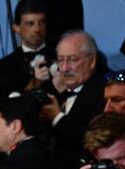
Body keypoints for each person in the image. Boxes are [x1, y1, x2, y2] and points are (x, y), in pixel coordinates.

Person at [41, 30, 105, 161]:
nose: (64, 68)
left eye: (72, 60)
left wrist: (57, 118)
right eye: (60, 60)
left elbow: (92, 140)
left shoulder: (104, 92)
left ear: (92, 61)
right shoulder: (53, 91)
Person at [0, 0, 52, 96]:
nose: (37, 29)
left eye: (42, 22)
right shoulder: (2, 68)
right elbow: (3, 106)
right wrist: (32, 85)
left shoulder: (62, 57)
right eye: (30, 24)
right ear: (16, 28)